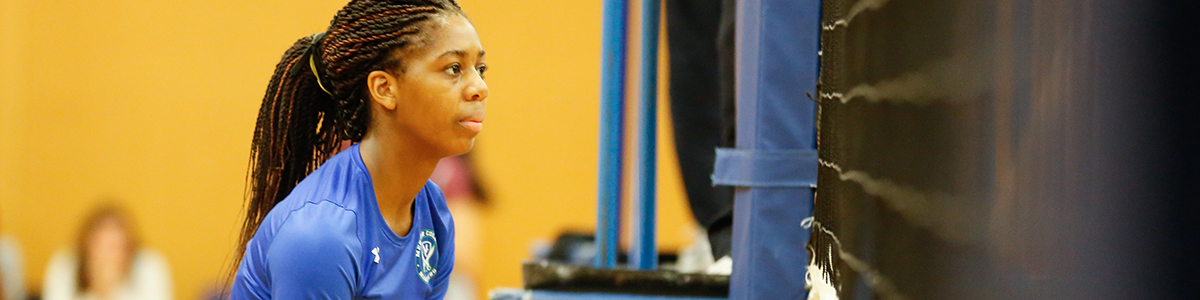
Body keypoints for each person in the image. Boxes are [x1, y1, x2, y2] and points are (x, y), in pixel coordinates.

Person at [228, 0, 487, 299]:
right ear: (384, 89)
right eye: (454, 68)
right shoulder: (323, 235)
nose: (480, 87)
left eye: (480, 68)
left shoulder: (433, 210)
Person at [42, 203, 172, 300]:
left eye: (116, 245)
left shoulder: (149, 266)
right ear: (86, 244)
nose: (108, 254)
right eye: (100, 243)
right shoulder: (66, 265)